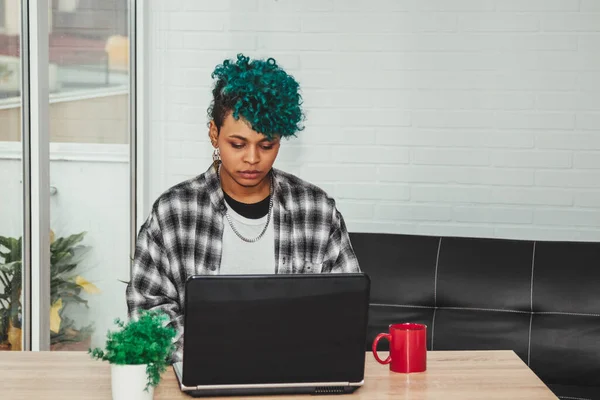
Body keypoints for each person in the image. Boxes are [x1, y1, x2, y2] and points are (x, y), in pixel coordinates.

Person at [126, 54, 360, 362]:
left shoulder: (316, 211)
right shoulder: (174, 213)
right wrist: (221, 356)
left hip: (292, 377)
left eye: (267, 145)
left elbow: (346, 310)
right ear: (214, 134)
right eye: (238, 144)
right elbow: (147, 312)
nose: (252, 158)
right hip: (202, 378)